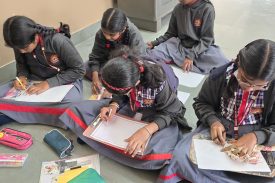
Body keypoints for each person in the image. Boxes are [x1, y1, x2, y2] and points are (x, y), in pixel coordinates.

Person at [157, 39, 275, 183]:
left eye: (259, 86)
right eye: (245, 80)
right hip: (220, 129)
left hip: (258, 134)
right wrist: (213, 122)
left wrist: (257, 136)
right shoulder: (219, 75)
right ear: (239, 63)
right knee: (180, 156)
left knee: (270, 176)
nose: (249, 89)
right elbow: (201, 103)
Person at [60, 55, 191, 169]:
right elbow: (121, 95)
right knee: (76, 109)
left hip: (157, 111)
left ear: (136, 83)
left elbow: (172, 111)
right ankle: (99, 138)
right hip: (131, 103)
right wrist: (113, 105)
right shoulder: (123, 70)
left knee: (161, 151)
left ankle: (94, 139)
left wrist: (146, 131)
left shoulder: (158, 84)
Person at [0, 16, 85, 127]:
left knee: (71, 106)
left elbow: (79, 70)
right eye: (18, 49)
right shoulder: (20, 44)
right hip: (33, 80)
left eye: (25, 48)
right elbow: (21, 65)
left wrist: (48, 83)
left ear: (35, 38)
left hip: (64, 81)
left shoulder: (57, 41)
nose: (21, 51)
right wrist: (22, 76)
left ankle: (11, 112)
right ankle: (22, 111)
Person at [147, 0, 228, 74]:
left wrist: (191, 56)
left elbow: (206, 40)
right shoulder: (178, 8)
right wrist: (155, 43)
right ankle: (182, 60)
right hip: (180, 46)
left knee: (223, 63)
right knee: (151, 54)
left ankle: (182, 60)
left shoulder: (207, 9)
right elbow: (171, 33)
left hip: (200, 50)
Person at [85, 8, 146, 95]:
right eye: (104, 32)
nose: (107, 37)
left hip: (126, 65)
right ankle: (106, 80)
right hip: (109, 61)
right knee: (85, 67)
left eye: (112, 35)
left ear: (123, 29)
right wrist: (95, 78)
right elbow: (95, 56)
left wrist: (114, 87)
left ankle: (112, 85)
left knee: (131, 79)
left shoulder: (133, 34)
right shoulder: (100, 34)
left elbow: (138, 62)